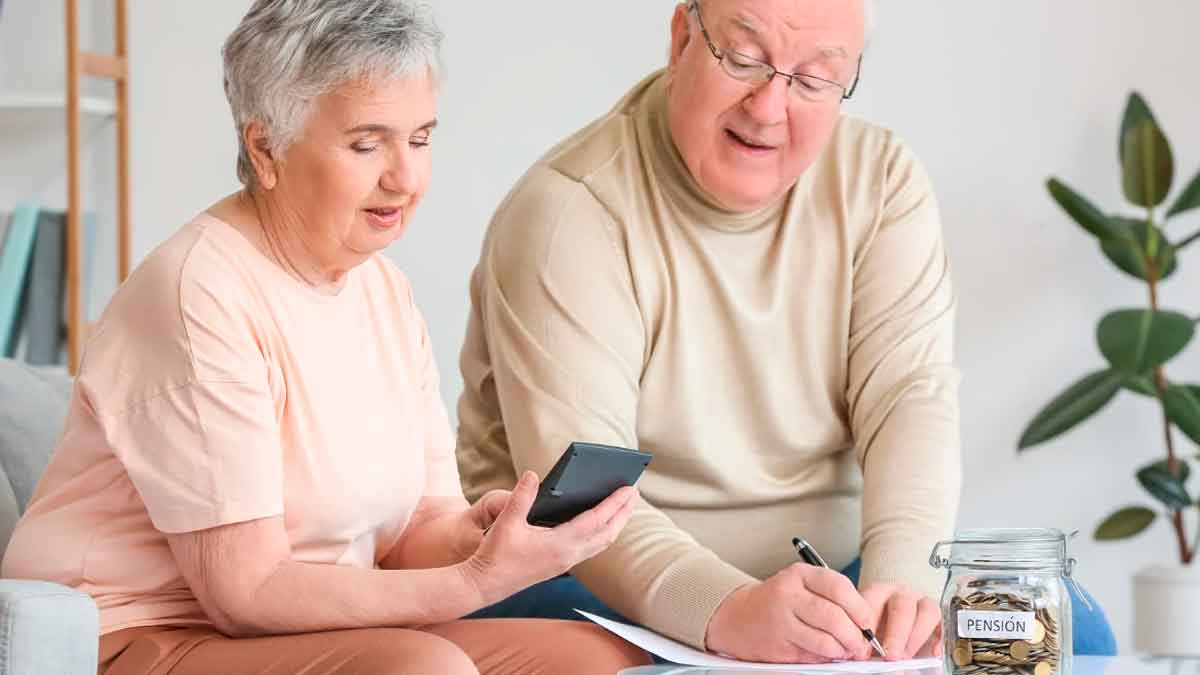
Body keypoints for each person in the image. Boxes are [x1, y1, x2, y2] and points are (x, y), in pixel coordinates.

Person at [455, 0, 1115, 664]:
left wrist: (899, 588)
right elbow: (585, 510)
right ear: (681, 37)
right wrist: (731, 611)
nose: (769, 108)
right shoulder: (571, 211)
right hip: (584, 578)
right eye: (743, 61)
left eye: (813, 79)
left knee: (1068, 634)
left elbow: (910, 400)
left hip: (828, 574)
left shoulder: (879, 182)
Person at [1, 2, 651, 674]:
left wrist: (480, 536)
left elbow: (413, 530)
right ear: (265, 149)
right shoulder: (199, 293)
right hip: (148, 633)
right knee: (425, 668)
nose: (405, 176)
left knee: (601, 656)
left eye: (420, 139)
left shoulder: (384, 292)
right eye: (368, 144)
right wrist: (474, 583)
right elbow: (244, 591)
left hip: (300, 631)